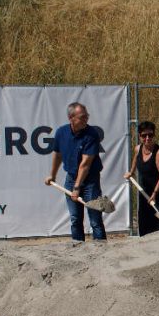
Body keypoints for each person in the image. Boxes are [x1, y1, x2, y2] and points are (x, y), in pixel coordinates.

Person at [45, 102, 107, 241]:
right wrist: (52, 175)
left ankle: (102, 253)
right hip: (71, 178)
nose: (86, 120)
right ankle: (78, 251)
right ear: (71, 118)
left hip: (90, 181)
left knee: (95, 219)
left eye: (87, 116)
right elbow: (57, 154)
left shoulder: (92, 134)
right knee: (75, 218)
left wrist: (77, 188)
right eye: (82, 117)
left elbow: (85, 165)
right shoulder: (61, 132)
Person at [124, 121, 159, 235]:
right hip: (145, 192)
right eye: (144, 135)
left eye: (150, 135)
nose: (147, 138)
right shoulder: (138, 149)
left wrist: (155, 193)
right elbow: (135, 160)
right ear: (139, 136)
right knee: (145, 224)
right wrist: (131, 172)